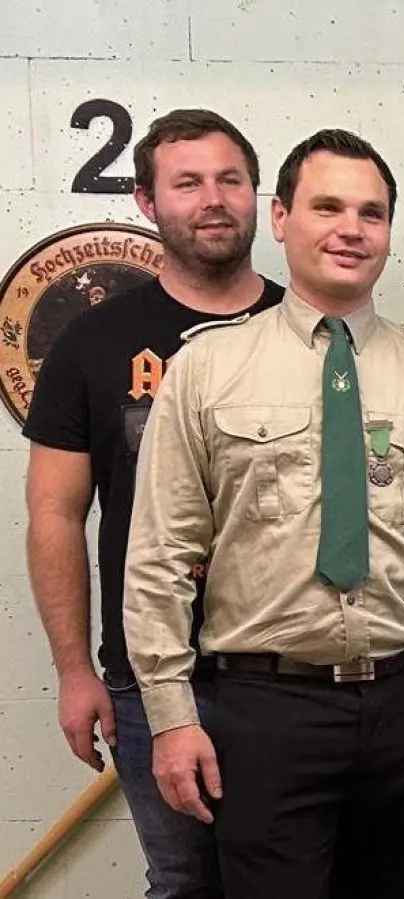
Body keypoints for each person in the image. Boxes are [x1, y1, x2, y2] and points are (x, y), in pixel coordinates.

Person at [121, 128, 404, 899]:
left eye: (371, 213)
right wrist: (172, 717)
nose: (351, 228)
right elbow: (161, 557)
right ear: (280, 217)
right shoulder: (207, 369)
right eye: (328, 206)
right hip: (268, 707)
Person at [24, 108, 283, 899]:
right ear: (146, 201)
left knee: (297, 877)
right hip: (150, 674)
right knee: (182, 883)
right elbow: (55, 515)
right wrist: (75, 672)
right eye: (188, 183)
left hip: (288, 669)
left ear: (256, 196)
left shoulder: (307, 327)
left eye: (230, 180)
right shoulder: (92, 343)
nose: (213, 199)